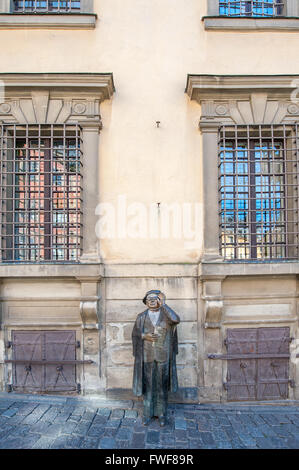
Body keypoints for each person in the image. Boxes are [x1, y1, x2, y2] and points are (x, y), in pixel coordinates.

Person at [132, 289, 180, 426]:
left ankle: (162, 414)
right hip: (147, 356)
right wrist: (143, 336)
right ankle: (147, 413)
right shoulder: (141, 317)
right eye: (149, 299)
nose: (152, 301)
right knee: (148, 386)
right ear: (145, 302)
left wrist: (164, 305)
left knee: (162, 386)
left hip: (163, 356)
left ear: (160, 300)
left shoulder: (166, 316)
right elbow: (135, 334)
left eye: (155, 299)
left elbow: (176, 320)